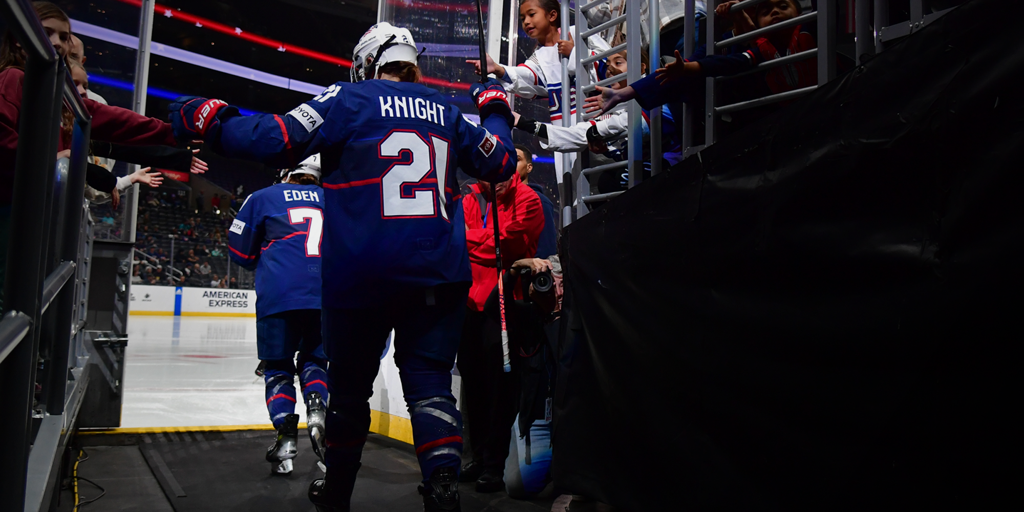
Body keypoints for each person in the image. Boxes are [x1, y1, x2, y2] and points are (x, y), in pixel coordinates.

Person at [169, 21, 517, 512]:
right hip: (438, 273)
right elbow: (501, 162)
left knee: (349, 393)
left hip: (361, 274)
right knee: (431, 387)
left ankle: (337, 495)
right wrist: (495, 107)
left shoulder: (347, 98)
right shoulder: (446, 111)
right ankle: (442, 488)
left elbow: (276, 138)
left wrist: (210, 119)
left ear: (366, 63)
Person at [0, 1, 176, 309]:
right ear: (19, 38)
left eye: (63, 36)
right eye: (47, 32)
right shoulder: (14, 77)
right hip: (11, 210)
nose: (56, 42)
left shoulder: (54, 90)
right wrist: (49, 159)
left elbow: (117, 121)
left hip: (32, 214)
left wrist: (173, 133)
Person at [228, 153, 328, 474]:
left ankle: (285, 437)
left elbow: (240, 252)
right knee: (315, 361)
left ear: (288, 171)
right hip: (325, 295)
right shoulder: (334, 199)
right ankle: (317, 408)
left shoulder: (262, 197)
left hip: (279, 294)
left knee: (278, 367)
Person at [458, 163, 544, 493]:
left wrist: (472, 241)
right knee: (473, 384)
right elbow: (457, 239)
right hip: (469, 303)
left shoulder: (529, 199)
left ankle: (495, 463)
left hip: (506, 303)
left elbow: (510, 244)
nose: (495, 180)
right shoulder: (470, 199)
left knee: (501, 388)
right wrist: (487, 245)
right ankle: (479, 457)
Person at [467, 0, 609, 185]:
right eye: (522, 18)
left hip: (600, 125)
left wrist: (574, 53)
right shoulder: (539, 57)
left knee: (609, 184)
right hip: (567, 137)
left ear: (552, 15)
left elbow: (613, 64)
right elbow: (526, 77)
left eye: (531, 14)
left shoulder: (577, 33)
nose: (526, 22)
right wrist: (498, 68)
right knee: (575, 190)